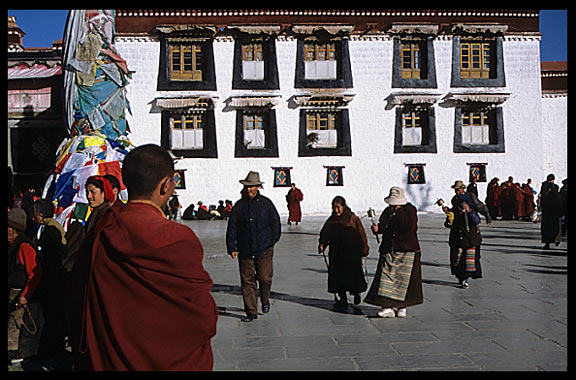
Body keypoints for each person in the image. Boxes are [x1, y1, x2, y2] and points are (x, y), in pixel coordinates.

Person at [82, 144, 218, 370]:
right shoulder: (178, 238)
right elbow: (203, 318)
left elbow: (80, 294)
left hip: (113, 361)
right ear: (166, 185)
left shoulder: (104, 227)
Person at [64, 175, 116, 370]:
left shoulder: (107, 215)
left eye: (93, 192)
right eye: (87, 192)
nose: (89, 196)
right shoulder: (96, 213)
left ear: (104, 193)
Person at [226, 171, 281, 322]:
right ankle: (251, 311)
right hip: (245, 249)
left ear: (258, 187)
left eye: (252, 187)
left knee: (264, 277)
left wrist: (271, 241)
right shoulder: (239, 206)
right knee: (247, 281)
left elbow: (275, 223)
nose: (249, 189)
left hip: (264, 248)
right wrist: (232, 247)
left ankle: (265, 299)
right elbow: (232, 227)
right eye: (247, 187)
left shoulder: (266, 204)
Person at [364, 187, 423, 318]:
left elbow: (408, 226)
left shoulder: (409, 211)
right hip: (389, 249)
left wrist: (399, 211)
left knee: (403, 280)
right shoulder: (388, 211)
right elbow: (384, 226)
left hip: (406, 250)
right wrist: (378, 229)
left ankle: (402, 306)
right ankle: (387, 307)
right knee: (386, 279)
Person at [32, 199, 69, 368]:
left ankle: (54, 350)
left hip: (53, 280)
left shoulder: (51, 230)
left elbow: (53, 255)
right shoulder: (49, 227)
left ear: (41, 214)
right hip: (53, 278)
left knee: (53, 317)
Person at [318, 196, 369, 311]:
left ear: (343, 206)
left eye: (338, 207)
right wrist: (322, 244)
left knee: (353, 276)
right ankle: (343, 299)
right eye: (334, 208)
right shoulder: (332, 220)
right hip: (336, 254)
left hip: (352, 254)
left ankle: (356, 293)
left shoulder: (352, 218)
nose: (336, 210)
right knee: (338, 277)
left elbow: (361, 234)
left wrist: (364, 248)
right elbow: (325, 233)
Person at [8, 207, 44, 364]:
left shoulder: (24, 246)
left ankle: (14, 354)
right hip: (12, 289)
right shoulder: (12, 245)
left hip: (19, 291)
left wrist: (25, 295)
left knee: (15, 324)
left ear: (13, 229)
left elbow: (34, 274)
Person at [443, 180, 491, 288]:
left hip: (470, 232)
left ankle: (466, 277)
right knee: (457, 256)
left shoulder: (471, 197)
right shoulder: (455, 199)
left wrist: (487, 215)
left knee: (468, 256)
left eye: (458, 190)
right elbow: (454, 212)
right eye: (455, 190)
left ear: (463, 189)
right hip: (458, 231)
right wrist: (448, 213)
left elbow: (481, 207)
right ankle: (460, 277)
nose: (457, 192)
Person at [539, 174, 563, 249]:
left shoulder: (543, 187)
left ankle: (547, 243)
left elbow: (541, 198)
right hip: (554, 211)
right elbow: (558, 199)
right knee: (556, 227)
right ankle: (556, 240)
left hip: (546, 211)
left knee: (546, 228)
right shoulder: (555, 187)